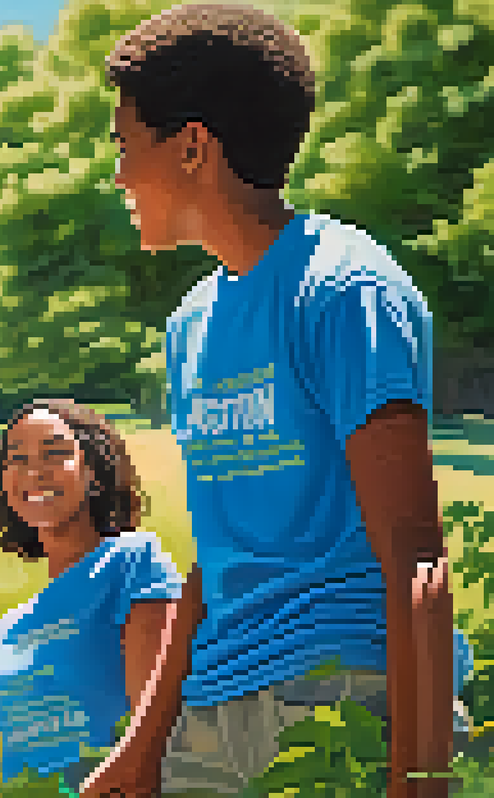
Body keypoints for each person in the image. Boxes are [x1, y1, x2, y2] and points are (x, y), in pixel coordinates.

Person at [96, 5, 456, 796]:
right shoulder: (191, 324)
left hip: (340, 695)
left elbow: (416, 556)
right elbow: (218, 560)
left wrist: (422, 774)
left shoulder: (343, 292)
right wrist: (144, 743)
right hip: (214, 709)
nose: (118, 175)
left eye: (125, 147)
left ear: (192, 146)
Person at [0, 400, 184, 793]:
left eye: (54, 453)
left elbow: (157, 728)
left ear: (93, 473)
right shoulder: (6, 630)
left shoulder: (133, 562)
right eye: (17, 459)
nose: (34, 472)